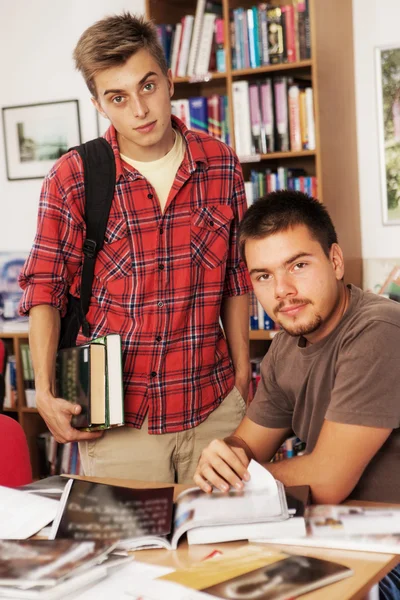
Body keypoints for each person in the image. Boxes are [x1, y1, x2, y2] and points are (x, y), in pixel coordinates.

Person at [19, 12, 252, 484]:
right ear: (100, 104)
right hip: (117, 421)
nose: (139, 110)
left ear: (169, 80)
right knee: (133, 557)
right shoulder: (73, 176)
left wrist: (244, 379)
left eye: (147, 86)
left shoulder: (221, 163)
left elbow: (235, 278)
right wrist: (44, 390)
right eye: (118, 97)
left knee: (226, 555)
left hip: (213, 408)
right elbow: (44, 289)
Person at [194, 190, 400, 599]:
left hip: (389, 548)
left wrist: (236, 480)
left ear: (335, 261)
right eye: (264, 276)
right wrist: (225, 455)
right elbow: (247, 445)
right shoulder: (287, 344)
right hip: (326, 534)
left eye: (298, 266)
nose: (282, 291)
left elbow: (327, 479)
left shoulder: (379, 330)